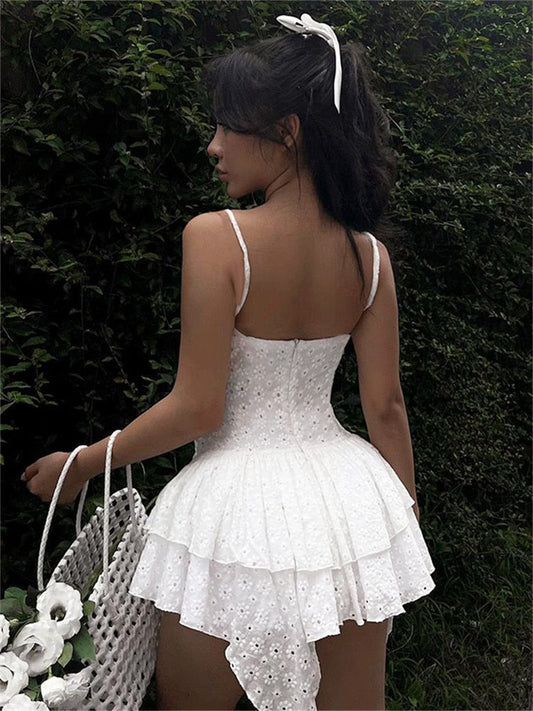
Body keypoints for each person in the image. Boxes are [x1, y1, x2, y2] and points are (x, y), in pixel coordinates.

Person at [21, 13, 436, 711]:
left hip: (226, 514)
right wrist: (397, 524)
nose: (213, 145)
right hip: (348, 506)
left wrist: (82, 464)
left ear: (287, 131)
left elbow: (198, 408)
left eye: (226, 126)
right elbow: (385, 407)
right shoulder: (370, 258)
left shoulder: (217, 238)